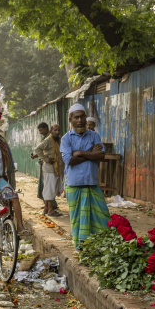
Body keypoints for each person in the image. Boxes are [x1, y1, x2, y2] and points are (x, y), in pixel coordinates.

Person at [60, 103, 109, 249]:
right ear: (71, 119)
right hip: (74, 185)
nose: (80, 120)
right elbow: (69, 160)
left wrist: (80, 153)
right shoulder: (66, 139)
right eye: (76, 117)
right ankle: (81, 248)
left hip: (92, 183)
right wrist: (90, 153)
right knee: (77, 220)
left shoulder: (94, 135)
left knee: (102, 216)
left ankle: (98, 246)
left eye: (82, 117)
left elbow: (101, 154)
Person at [33, 122, 64, 217]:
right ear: (51, 131)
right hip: (49, 168)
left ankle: (46, 208)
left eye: (58, 130)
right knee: (50, 188)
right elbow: (38, 149)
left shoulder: (57, 140)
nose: (57, 132)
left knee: (51, 188)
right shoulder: (49, 140)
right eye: (55, 130)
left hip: (56, 168)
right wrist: (46, 159)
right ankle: (50, 210)